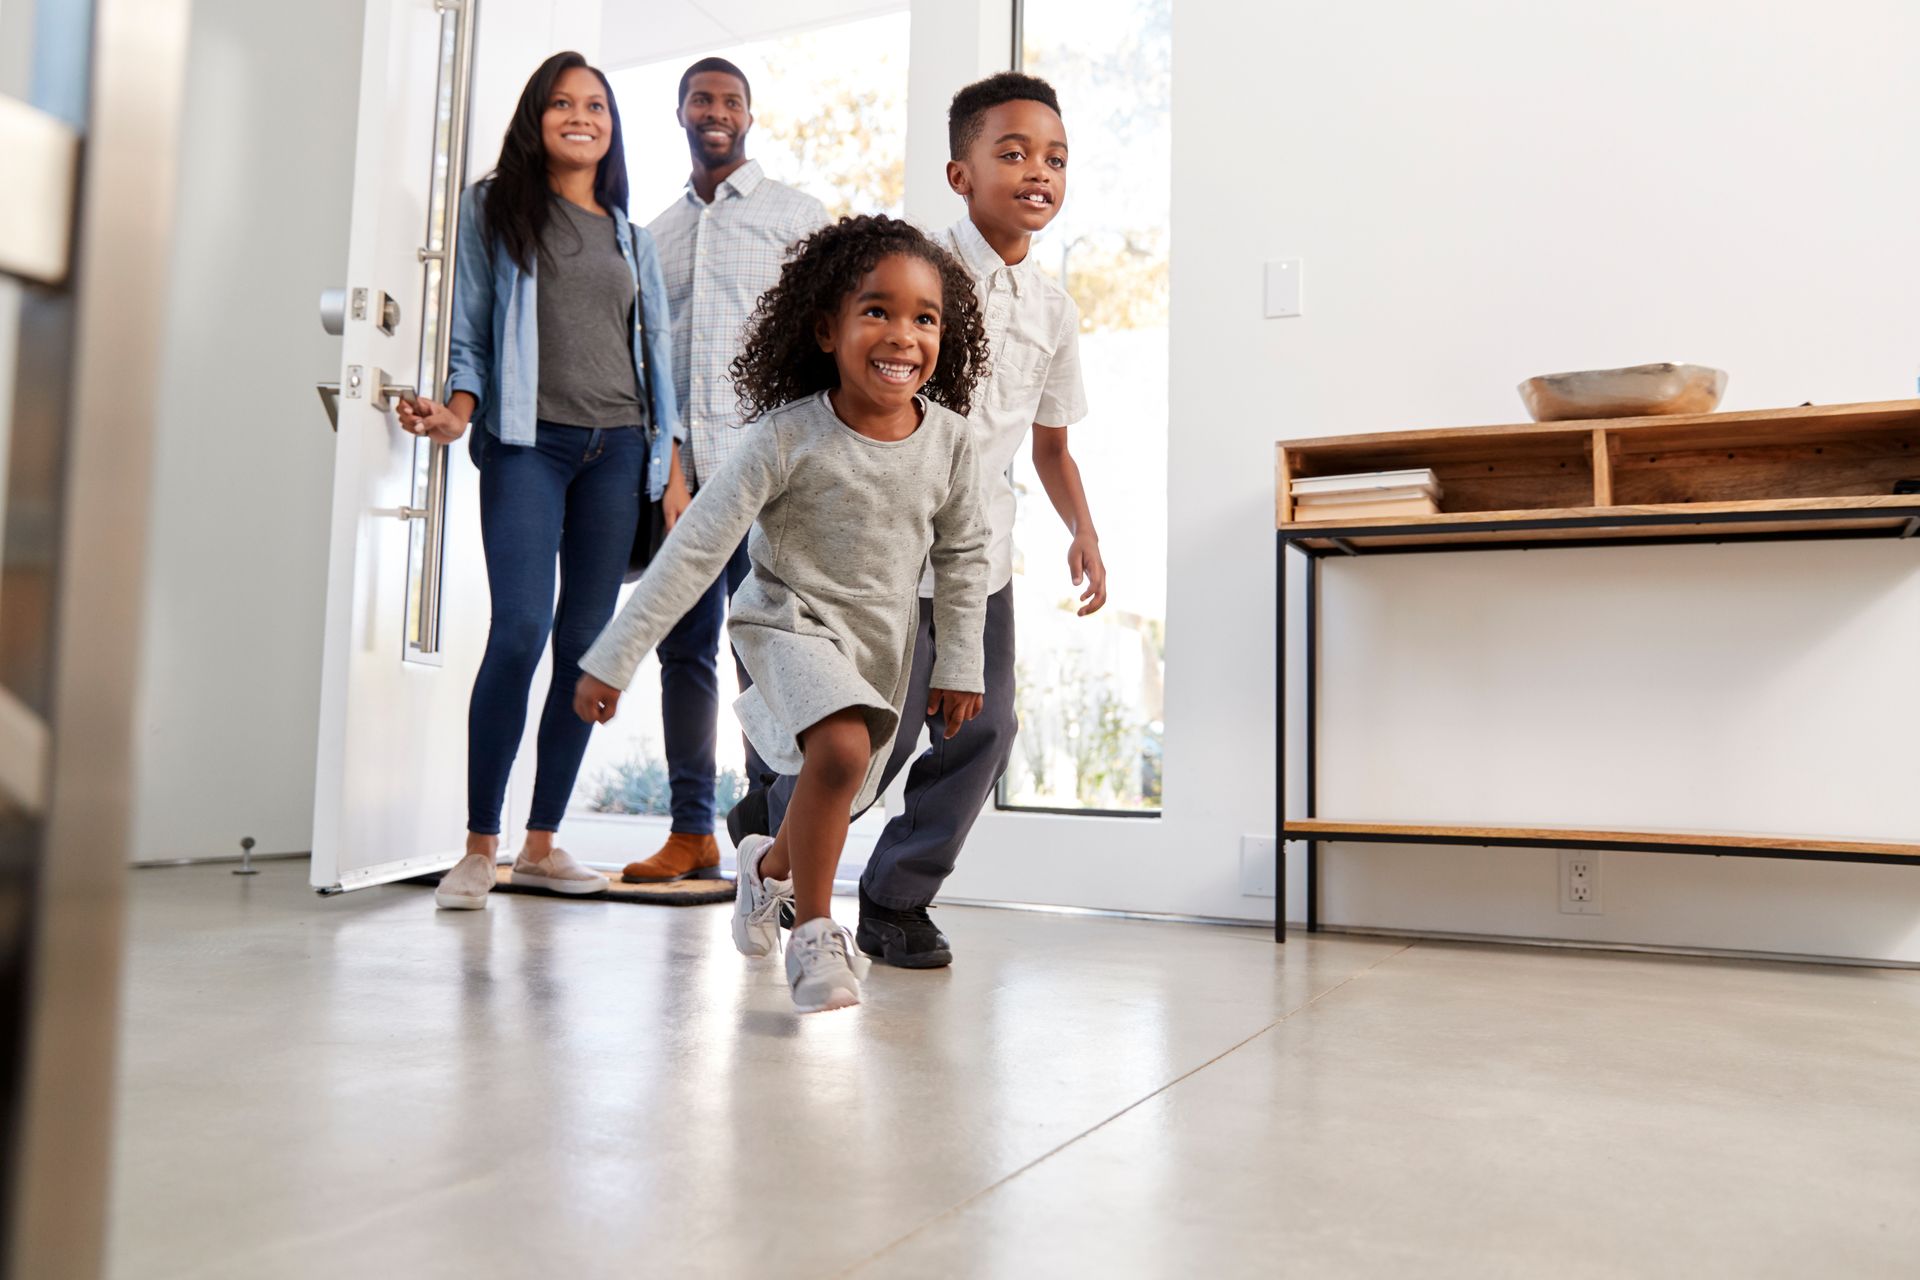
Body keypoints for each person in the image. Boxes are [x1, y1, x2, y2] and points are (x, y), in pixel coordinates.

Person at [572, 216, 991, 1012]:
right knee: (836, 750)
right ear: (826, 328)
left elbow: (964, 555)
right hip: (784, 625)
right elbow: (697, 548)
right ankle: (817, 937)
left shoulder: (951, 445)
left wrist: (961, 661)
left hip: (878, 644)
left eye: (924, 317)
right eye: (877, 310)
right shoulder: (785, 437)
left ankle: (765, 875)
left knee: (835, 776)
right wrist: (615, 656)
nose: (902, 334)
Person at [739, 71, 1106, 970]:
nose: (1037, 172)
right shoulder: (916, 273)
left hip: (984, 560)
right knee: (870, 735)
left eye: (1054, 158)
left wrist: (1083, 529)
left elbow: (1050, 444)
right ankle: (773, 836)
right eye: (1011, 152)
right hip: (882, 553)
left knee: (985, 729)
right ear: (959, 172)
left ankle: (898, 900)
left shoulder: (1055, 310)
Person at [398, 51, 681, 910]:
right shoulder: (494, 208)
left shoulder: (631, 234)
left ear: (611, 126)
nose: (581, 116)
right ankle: (480, 848)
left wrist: (669, 470)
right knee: (518, 630)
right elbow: (472, 329)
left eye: (595, 105)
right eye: (563, 103)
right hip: (529, 443)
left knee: (587, 653)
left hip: (620, 451)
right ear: (537, 116)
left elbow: (659, 353)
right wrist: (457, 409)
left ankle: (544, 842)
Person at [618, 57, 830, 886]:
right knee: (685, 650)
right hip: (687, 480)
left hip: (771, 474)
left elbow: (823, 341)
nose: (717, 111)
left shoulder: (796, 215)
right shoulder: (653, 236)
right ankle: (691, 833)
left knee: (772, 651)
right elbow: (649, 365)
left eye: (731, 101)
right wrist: (668, 467)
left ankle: (774, 828)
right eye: (702, 99)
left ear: (749, 115)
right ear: (679, 113)